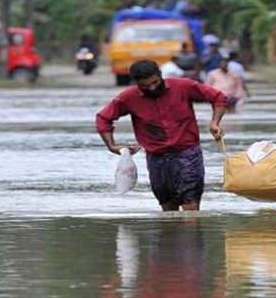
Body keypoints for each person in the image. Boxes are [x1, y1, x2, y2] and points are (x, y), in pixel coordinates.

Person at [96, 60, 229, 211]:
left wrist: (215, 122)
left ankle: (191, 233)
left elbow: (219, 98)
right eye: (145, 86)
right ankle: (169, 233)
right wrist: (111, 146)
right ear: (137, 83)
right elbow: (103, 118)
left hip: (188, 153)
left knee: (190, 202)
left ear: (160, 76)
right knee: (167, 206)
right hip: (156, 157)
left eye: (155, 82)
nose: (152, 88)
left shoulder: (183, 87)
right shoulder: (129, 97)